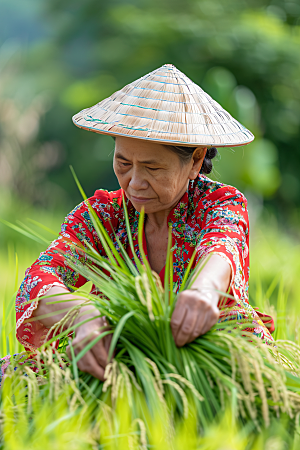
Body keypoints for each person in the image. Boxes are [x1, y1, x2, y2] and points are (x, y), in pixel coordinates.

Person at [14, 64, 274, 383]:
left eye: (152, 168)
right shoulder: (102, 217)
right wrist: (81, 315)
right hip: (120, 356)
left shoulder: (219, 204)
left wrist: (204, 291)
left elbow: (222, 246)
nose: (134, 182)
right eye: (123, 163)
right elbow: (39, 277)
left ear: (195, 160)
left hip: (212, 358)